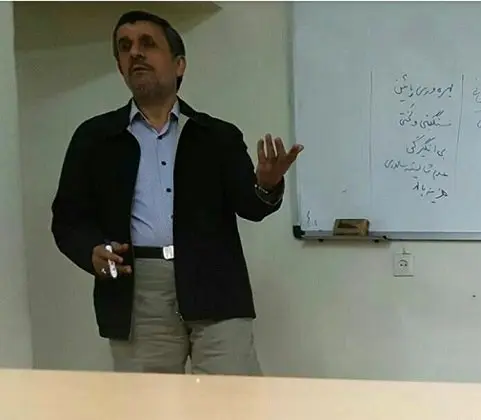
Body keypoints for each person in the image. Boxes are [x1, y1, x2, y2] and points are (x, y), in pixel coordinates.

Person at [51, 10, 303, 375]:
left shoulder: (217, 136)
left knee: (232, 398)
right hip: (136, 288)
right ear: (120, 67)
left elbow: (250, 206)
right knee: (148, 401)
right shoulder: (95, 138)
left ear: (179, 64)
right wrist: (91, 252)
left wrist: (266, 184)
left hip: (215, 281)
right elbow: (68, 220)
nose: (135, 53)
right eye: (125, 47)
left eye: (147, 44)